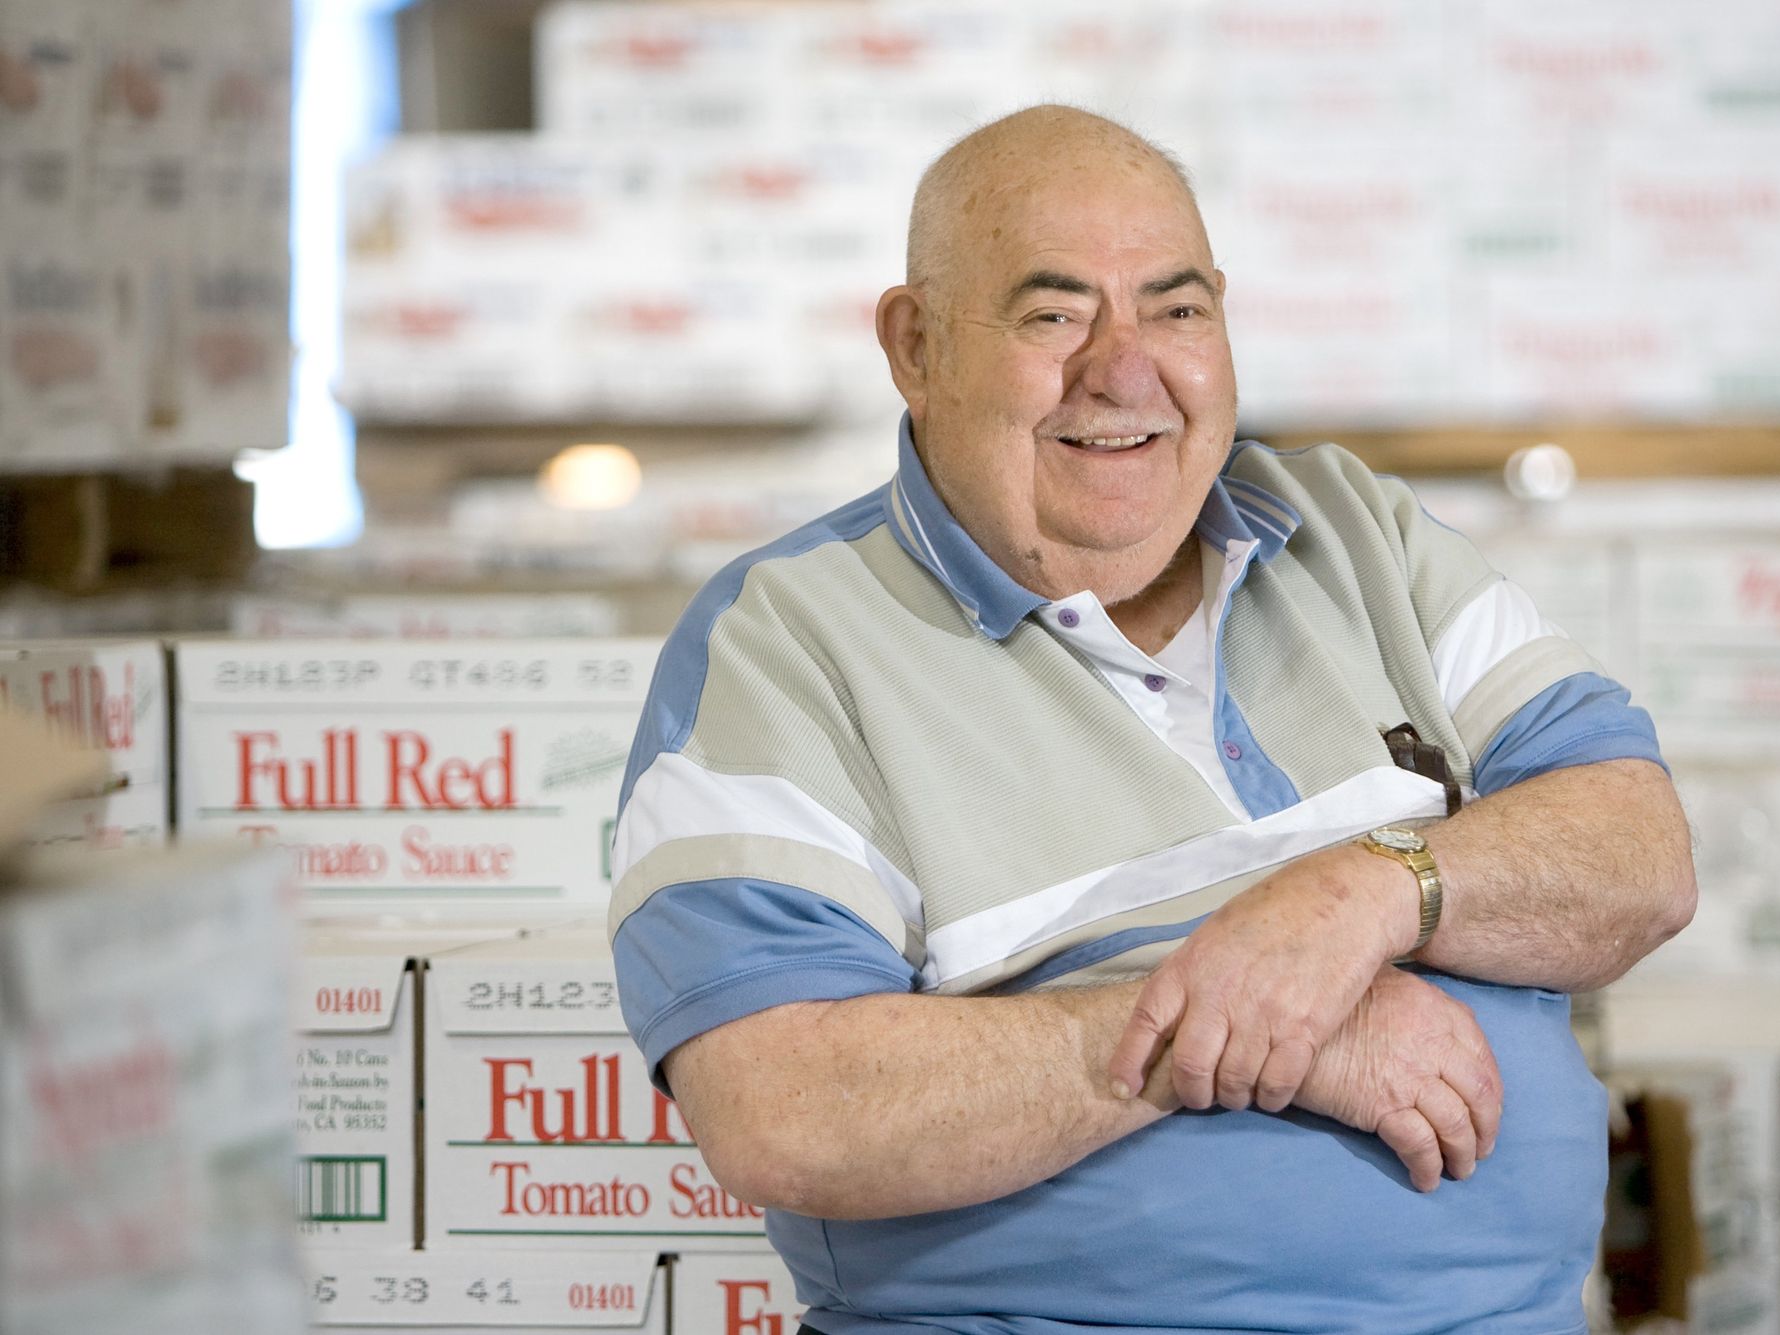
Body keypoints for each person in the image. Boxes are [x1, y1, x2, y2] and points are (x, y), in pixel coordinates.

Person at [609, 105, 1696, 1335]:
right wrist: (1245, 1023)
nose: (1125, 371)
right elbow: (784, 1110)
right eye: (1053, 316)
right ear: (915, 347)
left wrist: (1365, 898)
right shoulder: (785, 641)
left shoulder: (1358, 532)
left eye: (1176, 311)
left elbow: (1639, 854)